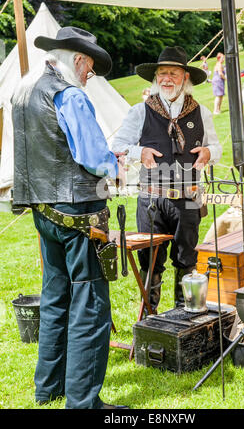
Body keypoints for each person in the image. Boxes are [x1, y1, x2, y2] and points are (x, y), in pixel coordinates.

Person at [11, 27, 128, 410]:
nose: (88, 76)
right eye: (90, 69)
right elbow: (92, 157)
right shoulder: (70, 94)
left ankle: (49, 389)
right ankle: (82, 403)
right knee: (90, 303)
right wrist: (115, 164)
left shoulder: (23, 91)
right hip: (78, 211)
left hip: (43, 211)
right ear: (78, 60)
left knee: (56, 296)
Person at [112, 46, 222, 313]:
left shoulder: (202, 113)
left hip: (189, 198)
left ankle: (184, 317)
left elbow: (216, 148)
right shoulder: (141, 111)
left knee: (186, 261)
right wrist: (141, 151)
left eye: (173, 73)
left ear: (185, 77)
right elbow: (118, 145)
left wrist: (208, 152)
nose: (166, 79)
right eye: (162, 73)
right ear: (155, 78)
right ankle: (151, 320)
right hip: (152, 199)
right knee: (150, 261)